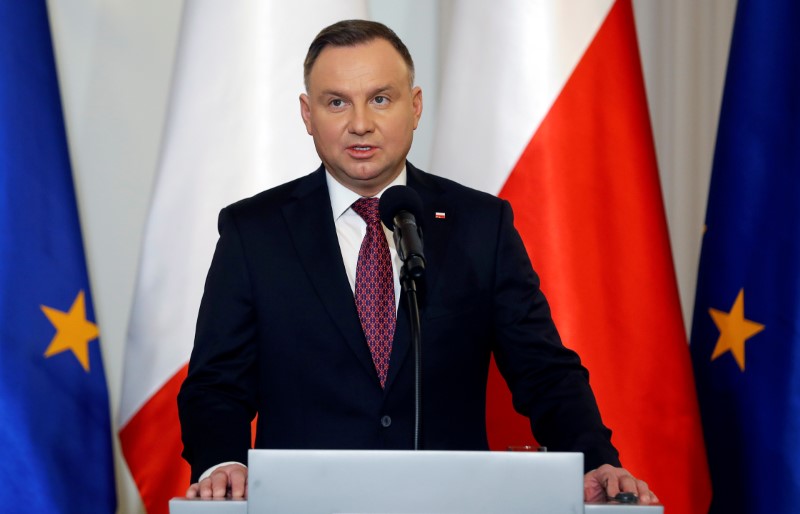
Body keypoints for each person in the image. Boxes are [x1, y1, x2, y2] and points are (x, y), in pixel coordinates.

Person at [178, 19, 658, 505]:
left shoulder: (478, 225)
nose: (360, 122)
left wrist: (595, 457)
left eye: (381, 99)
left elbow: (544, 370)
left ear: (415, 107)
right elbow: (216, 383)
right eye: (336, 101)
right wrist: (223, 462)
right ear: (307, 113)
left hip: (451, 502)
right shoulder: (254, 231)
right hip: (301, 501)